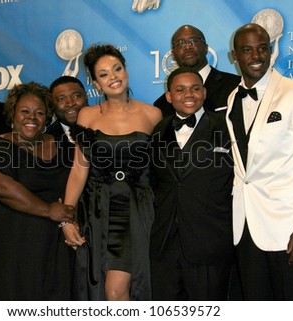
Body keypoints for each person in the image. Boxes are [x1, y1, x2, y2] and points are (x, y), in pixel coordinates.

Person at [226, 23, 293, 300]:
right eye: (247, 50)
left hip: (289, 228)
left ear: (272, 51)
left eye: (263, 48)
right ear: (234, 56)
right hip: (246, 227)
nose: (257, 56)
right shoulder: (233, 98)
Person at [0, 82, 75, 300]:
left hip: (51, 251)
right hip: (6, 251)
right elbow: (2, 187)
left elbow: (77, 183)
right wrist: (49, 209)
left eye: (40, 113)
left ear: (48, 117)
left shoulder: (65, 147)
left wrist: (68, 220)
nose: (32, 118)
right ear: (12, 113)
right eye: (25, 111)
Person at [62, 44, 162, 300]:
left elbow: (162, 171)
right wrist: (67, 218)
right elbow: (78, 170)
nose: (113, 77)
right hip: (96, 211)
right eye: (104, 74)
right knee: (102, 290)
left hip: (135, 211)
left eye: (117, 68)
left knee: (116, 292)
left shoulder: (153, 114)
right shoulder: (86, 115)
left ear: (126, 70)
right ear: (95, 83)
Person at [149, 67, 234, 300]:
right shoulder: (159, 130)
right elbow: (156, 181)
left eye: (195, 88)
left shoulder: (226, 126)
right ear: (169, 97)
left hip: (209, 241)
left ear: (204, 93)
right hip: (165, 242)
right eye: (180, 89)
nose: (189, 94)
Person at [154, 25, 240, 117]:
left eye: (193, 41)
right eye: (180, 43)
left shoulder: (236, 85)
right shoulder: (161, 105)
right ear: (173, 54)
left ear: (206, 48)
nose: (187, 47)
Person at [47, 75, 88, 170]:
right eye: (61, 99)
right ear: (52, 104)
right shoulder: (47, 138)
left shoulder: (107, 125)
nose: (70, 103)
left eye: (76, 96)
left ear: (86, 96)